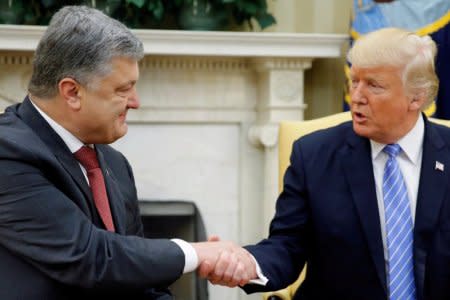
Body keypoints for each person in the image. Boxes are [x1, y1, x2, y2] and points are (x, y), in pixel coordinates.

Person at [0, 5, 242, 299]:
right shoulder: (7, 151)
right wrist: (195, 253)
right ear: (72, 92)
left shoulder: (113, 163)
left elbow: (137, 280)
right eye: (123, 89)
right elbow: (89, 257)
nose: (135, 102)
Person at [200, 27, 450, 300]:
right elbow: (287, 246)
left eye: (374, 85)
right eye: (354, 82)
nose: (356, 96)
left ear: (418, 97)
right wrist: (248, 263)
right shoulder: (314, 155)